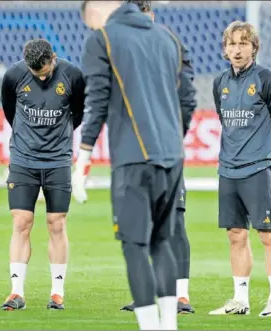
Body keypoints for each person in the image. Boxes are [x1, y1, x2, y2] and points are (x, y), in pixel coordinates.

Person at [75, 1, 196, 329]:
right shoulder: (168, 38)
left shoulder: (103, 39)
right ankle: (168, 326)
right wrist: (173, 139)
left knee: (135, 245)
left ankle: (149, 325)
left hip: (132, 159)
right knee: (162, 242)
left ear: (97, 10)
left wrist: (83, 158)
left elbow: (96, 100)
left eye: (90, 21)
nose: (91, 28)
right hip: (173, 158)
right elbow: (188, 99)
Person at [115, 0, 195, 315]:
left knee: (174, 219)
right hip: (135, 151)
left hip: (165, 150)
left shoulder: (170, 47)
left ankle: (182, 296)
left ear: (152, 16)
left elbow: (186, 97)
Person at [209, 21, 271, 317]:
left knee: (268, 234)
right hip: (228, 168)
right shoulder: (220, 82)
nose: (237, 49)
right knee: (235, 235)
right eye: (232, 44)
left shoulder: (267, 79)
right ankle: (240, 300)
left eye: (243, 43)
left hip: (258, 168)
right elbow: (224, 120)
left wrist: (267, 154)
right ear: (224, 50)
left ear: (254, 47)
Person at [0, 39, 85, 311]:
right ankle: (16, 292)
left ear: (54, 58)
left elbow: (78, 114)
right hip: (23, 159)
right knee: (22, 222)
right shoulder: (13, 75)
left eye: (46, 70)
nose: (43, 76)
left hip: (58, 160)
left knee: (56, 223)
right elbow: (9, 111)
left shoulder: (73, 75)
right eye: (37, 74)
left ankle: (57, 293)